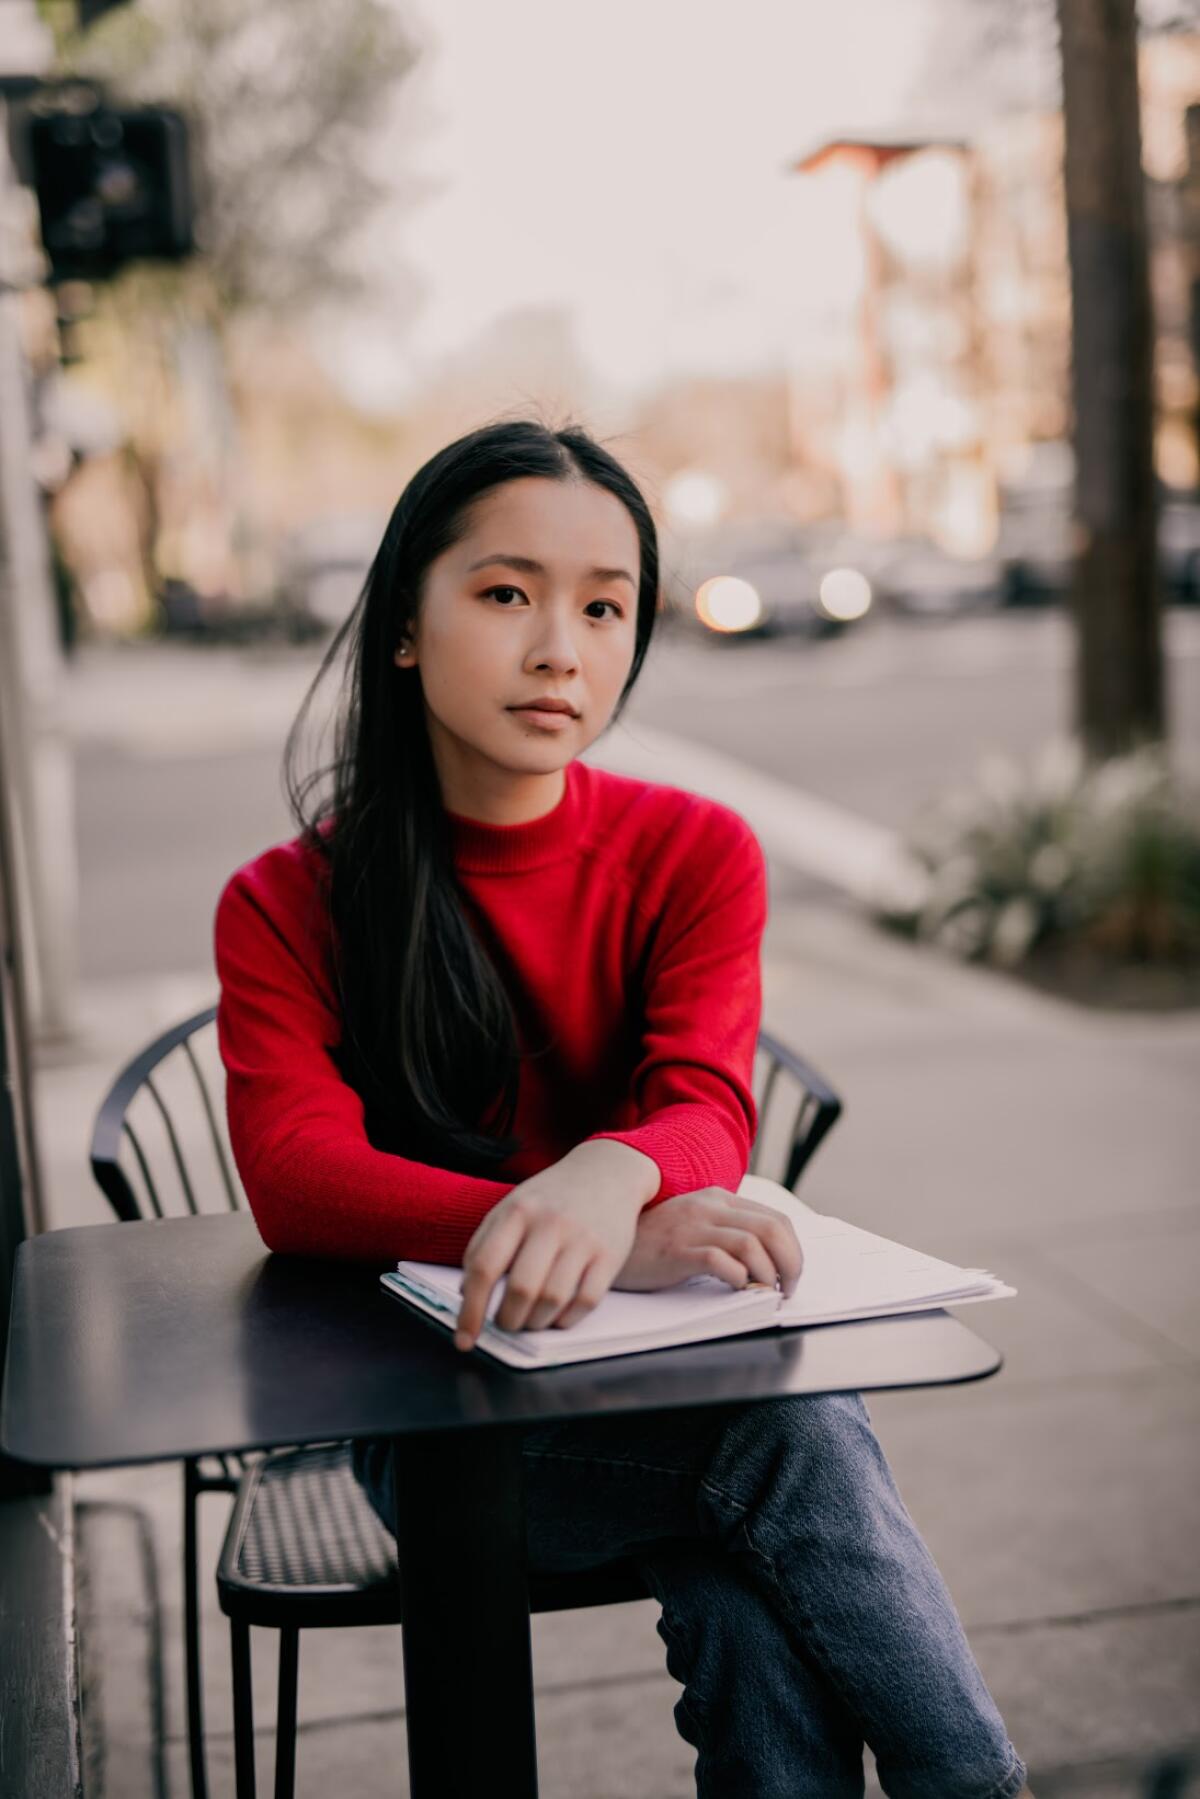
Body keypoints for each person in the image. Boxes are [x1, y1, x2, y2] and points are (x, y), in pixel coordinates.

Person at [214, 416, 1033, 1799]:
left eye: (606, 606)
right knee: (788, 1441)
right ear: (404, 625)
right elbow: (296, 1177)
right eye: (506, 593)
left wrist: (602, 1182)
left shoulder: (693, 848)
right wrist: (598, 1229)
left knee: (739, 1575)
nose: (562, 649)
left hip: (674, 1388)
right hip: (440, 1445)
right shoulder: (287, 900)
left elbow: (708, 1105)